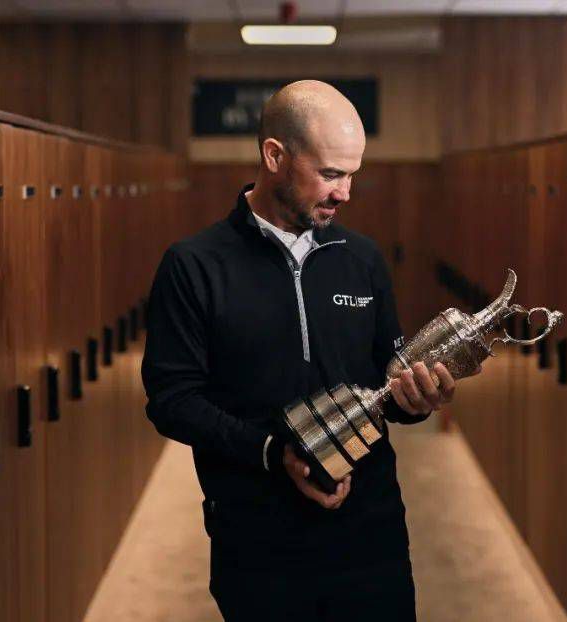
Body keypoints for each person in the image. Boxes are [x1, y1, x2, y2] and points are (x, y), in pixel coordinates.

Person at [141, 80, 458, 622]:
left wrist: (418, 398)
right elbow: (171, 399)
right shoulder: (194, 266)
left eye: (352, 174)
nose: (345, 193)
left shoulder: (362, 259)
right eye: (330, 174)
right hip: (257, 536)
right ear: (274, 156)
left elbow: (390, 375)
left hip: (370, 532)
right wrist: (273, 450)